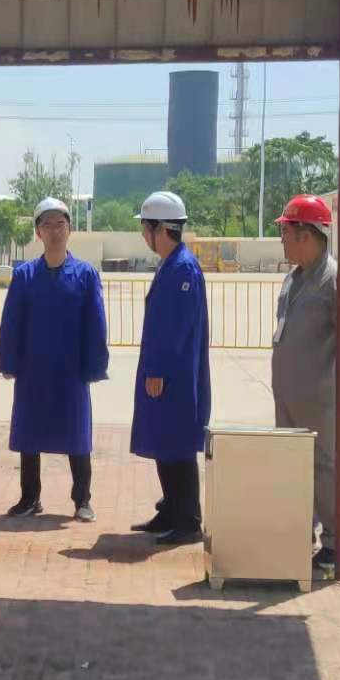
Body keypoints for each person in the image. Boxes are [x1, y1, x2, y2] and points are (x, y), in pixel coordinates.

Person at [269, 194, 340, 573]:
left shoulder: (336, 279)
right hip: (290, 395)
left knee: (327, 466)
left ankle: (335, 540)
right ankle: (301, 532)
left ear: (306, 235)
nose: (281, 239)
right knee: (294, 465)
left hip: (322, 397)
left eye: (285, 232)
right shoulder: (295, 277)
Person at [0, 197, 110, 521]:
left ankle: (82, 500)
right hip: (33, 368)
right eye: (47, 225)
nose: (55, 230)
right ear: (38, 233)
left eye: (60, 224)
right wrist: (9, 361)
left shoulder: (85, 275)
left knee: (77, 435)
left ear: (70, 229)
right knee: (29, 434)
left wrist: (95, 365)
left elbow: (96, 322)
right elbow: (12, 321)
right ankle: (29, 498)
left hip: (70, 370)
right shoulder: (25, 275)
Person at [129, 191, 211, 546]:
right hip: (166, 371)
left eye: (145, 228)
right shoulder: (171, 263)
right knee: (164, 440)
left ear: (160, 229)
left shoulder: (182, 268)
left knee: (177, 444)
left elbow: (175, 328)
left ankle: (188, 519)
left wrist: (158, 370)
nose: (143, 235)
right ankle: (171, 508)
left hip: (175, 374)